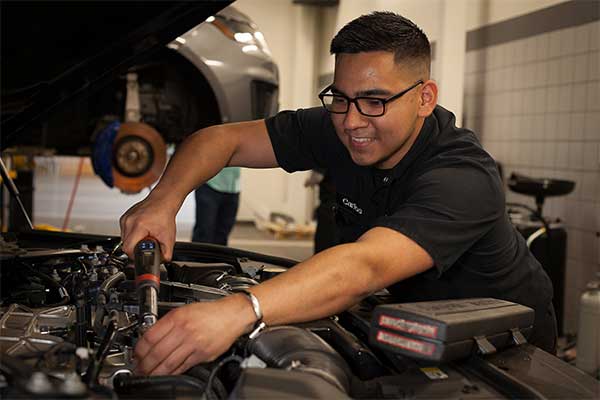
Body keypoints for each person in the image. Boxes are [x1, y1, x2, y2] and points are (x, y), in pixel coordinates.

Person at [120, 11, 557, 376]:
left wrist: (239, 310)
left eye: (374, 100)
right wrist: (163, 202)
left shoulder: (463, 175)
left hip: (504, 359)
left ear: (425, 98)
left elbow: (362, 267)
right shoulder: (348, 126)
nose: (351, 121)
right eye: (341, 98)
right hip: (409, 331)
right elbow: (221, 140)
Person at [191, 167, 240, 245]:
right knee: (204, 232)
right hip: (209, 184)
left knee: (223, 234)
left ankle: (218, 257)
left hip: (233, 188)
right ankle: (197, 257)